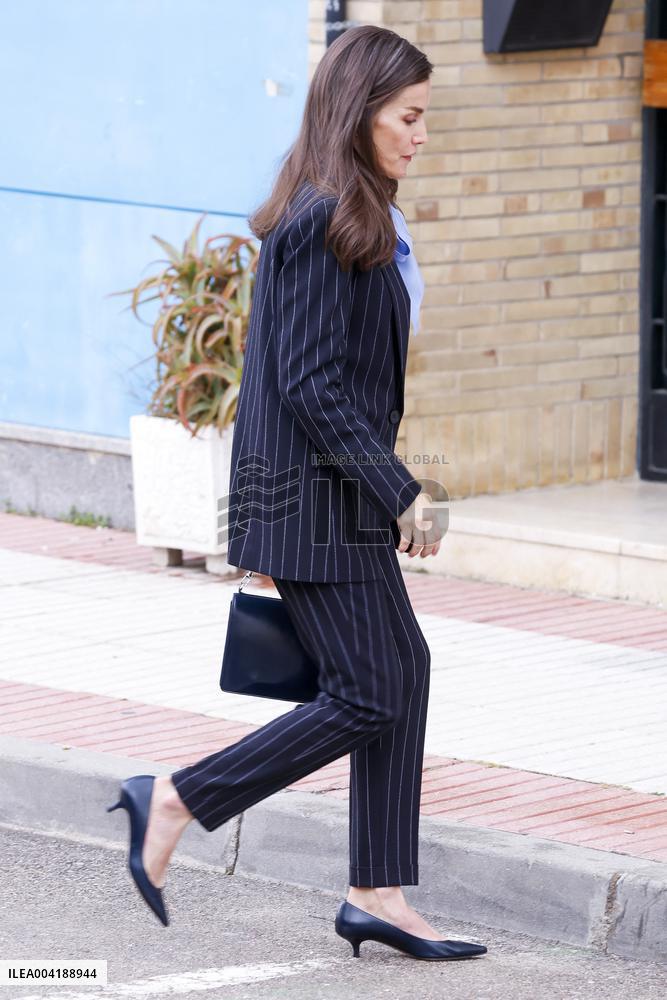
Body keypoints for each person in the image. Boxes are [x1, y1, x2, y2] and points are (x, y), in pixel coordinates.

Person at [108, 24, 487, 963]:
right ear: (360, 114)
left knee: (402, 675)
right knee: (370, 692)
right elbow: (313, 385)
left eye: (423, 117)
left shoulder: (354, 212)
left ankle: (377, 892)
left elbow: (339, 380)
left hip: (329, 496)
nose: (420, 134)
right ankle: (179, 797)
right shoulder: (326, 218)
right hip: (310, 500)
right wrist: (401, 492)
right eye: (409, 116)